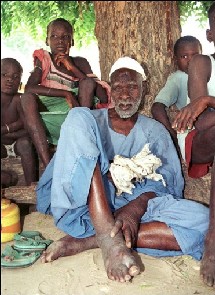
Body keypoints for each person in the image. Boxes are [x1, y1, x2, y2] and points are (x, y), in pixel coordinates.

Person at [36, 56, 209, 283]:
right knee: (77, 115)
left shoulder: (155, 131)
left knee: (205, 220)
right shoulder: (90, 121)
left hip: (142, 207)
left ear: (144, 89)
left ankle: (91, 239)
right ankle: (110, 240)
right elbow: (68, 171)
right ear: (109, 90)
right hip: (86, 205)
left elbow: (169, 183)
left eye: (132, 87)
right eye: (118, 87)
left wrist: (134, 210)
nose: (125, 95)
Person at [21, 18, 112, 168]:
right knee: (26, 99)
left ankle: (81, 142)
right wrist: (66, 94)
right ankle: (47, 164)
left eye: (65, 37)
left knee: (88, 82)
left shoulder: (81, 62)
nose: (60, 41)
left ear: (72, 41)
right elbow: (29, 88)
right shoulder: (44, 60)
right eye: (54, 36)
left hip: (77, 117)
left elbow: (102, 95)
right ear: (47, 40)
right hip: (50, 120)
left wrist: (73, 68)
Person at [172, 2, 215, 288]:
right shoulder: (202, 62)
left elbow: (206, 107)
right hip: (200, 141)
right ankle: (212, 242)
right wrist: (204, 105)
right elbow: (201, 122)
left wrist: (209, 100)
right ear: (211, 33)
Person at [151, 35, 202, 158]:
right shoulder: (178, 78)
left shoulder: (209, 73)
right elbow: (157, 107)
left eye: (195, 56)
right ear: (176, 60)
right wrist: (171, 133)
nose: (190, 60)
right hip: (194, 132)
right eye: (184, 56)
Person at [1, 58, 36, 186]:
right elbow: (21, 125)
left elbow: (28, 129)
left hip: (17, 143)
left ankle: (31, 186)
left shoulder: (19, 99)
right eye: (4, 75)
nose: (10, 79)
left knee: (25, 143)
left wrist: (5, 130)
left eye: (15, 77)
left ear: (20, 81)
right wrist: (15, 127)